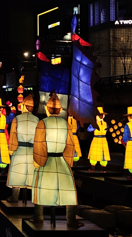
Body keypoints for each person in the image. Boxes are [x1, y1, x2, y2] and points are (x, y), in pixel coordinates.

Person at [31, 93, 81, 227]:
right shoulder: (65, 124)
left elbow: (39, 143)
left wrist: (38, 161)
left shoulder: (43, 123)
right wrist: (68, 162)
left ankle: (38, 217)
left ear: (47, 109)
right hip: (61, 160)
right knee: (69, 191)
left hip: (46, 160)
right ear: (60, 110)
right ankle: (70, 220)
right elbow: (70, 145)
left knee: (40, 189)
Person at [7, 94, 38, 202]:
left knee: (17, 175)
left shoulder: (17, 119)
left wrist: (11, 149)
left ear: (24, 106)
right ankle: (32, 199)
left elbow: (13, 135)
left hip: (19, 149)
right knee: (31, 175)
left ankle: (15, 197)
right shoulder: (37, 120)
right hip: (31, 150)